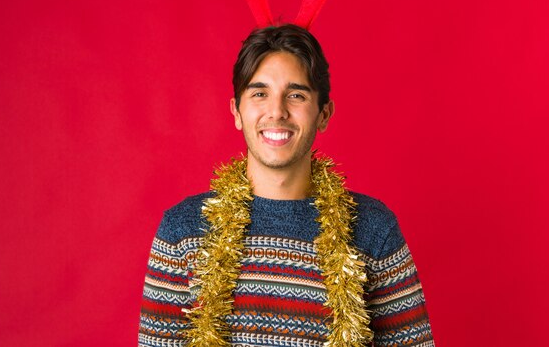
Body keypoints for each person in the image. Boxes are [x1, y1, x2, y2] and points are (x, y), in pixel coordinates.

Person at [138, 24, 435, 347]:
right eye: (259, 93)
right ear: (237, 111)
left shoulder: (373, 229)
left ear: (324, 114)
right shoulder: (182, 230)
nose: (277, 111)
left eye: (295, 95)